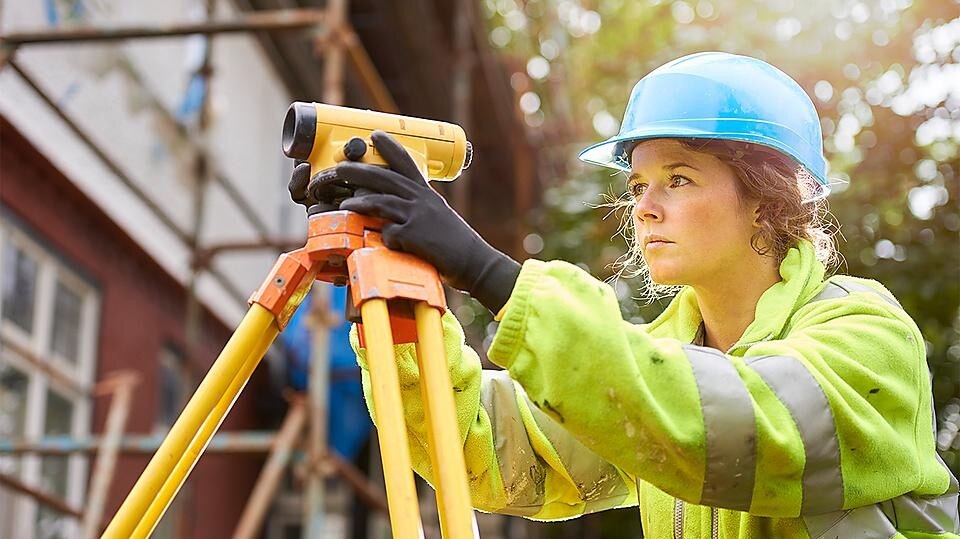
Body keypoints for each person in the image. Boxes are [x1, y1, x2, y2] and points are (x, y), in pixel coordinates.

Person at [289, 52, 959, 538]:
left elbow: (734, 425)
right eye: (638, 185)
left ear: (767, 201)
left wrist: (488, 271)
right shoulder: (654, 366)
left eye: (680, 178)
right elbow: (487, 450)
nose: (647, 207)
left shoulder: (867, 334)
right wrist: (401, 289)